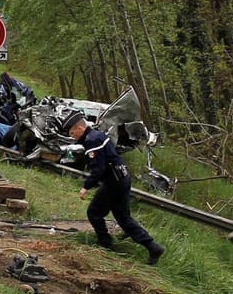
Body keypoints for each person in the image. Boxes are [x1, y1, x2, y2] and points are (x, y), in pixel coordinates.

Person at [65, 110, 164, 265]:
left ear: (80, 128)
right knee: (124, 218)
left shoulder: (91, 141)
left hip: (113, 182)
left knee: (94, 213)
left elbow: (99, 169)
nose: (72, 136)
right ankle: (153, 246)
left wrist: (86, 186)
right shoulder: (97, 135)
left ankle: (105, 244)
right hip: (123, 177)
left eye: (72, 133)